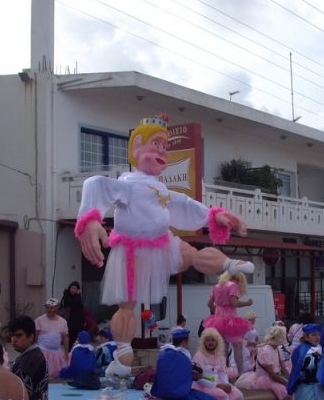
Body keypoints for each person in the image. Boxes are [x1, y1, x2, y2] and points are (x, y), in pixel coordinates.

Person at [75, 113, 253, 358]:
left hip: (162, 243)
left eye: (165, 147)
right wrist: (90, 219)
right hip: (132, 251)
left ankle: (229, 264)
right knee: (127, 306)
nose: (162, 151)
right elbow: (95, 184)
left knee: (193, 255)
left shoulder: (160, 188)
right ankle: (123, 353)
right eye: (155, 144)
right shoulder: (129, 183)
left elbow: (183, 204)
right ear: (136, 147)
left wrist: (214, 216)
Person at [192, 328, 255, 400]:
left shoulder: (220, 356)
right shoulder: (199, 356)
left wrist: (226, 384)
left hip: (218, 384)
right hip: (203, 386)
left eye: (213, 340)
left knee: (238, 396)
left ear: (218, 342)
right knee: (223, 395)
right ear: (203, 341)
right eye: (208, 340)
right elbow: (199, 379)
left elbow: (222, 372)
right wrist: (218, 385)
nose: (211, 342)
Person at [235, 325, 295, 400]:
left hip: (275, 375)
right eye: (283, 336)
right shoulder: (265, 350)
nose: (285, 338)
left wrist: (291, 380)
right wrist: (287, 383)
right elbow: (272, 375)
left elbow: (283, 369)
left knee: (295, 390)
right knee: (287, 394)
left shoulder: (278, 349)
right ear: (279, 337)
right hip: (265, 377)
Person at [8, 315, 51, 400]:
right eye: (12, 335)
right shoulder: (28, 356)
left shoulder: (32, 359)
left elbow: (21, 392)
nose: (13, 340)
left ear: (31, 336)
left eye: (18, 335)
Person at [203, 272, 253, 368]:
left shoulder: (217, 286)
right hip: (231, 321)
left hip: (218, 321)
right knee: (238, 347)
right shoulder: (233, 285)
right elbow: (234, 303)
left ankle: (223, 371)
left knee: (222, 348)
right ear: (239, 278)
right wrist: (247, 303)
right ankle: (239, 373)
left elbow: (209, 304)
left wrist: (217, 312)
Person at [35, 298, 69, 380]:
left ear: (57, 308)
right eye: (47, 308)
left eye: (51, 308)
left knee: (57, 373)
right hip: (43, 350)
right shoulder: (39, 320)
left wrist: (66, 351)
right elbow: (35, 336)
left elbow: (65, 337)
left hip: (56, 352)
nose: (49, 310)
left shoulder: (63, 321)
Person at [59, 281, 86, 347]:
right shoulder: (66, 295)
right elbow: (71, 303)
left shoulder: (78, 297)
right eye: (72, 288)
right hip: (69, 319)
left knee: (77, 337)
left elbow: (81, 308)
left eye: (75, 288)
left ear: (77, 290)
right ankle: (69, 352)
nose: (73, 290)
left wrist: (83, 320)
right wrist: (78, 295)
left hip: (77, 321)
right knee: (70, 337)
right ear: (69, 288)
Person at [241, 311, 259, 375]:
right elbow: (243, 341)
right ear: (250, 319)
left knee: (253, 363)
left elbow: (256, 337)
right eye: (254, 319)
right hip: (246, 349)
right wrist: (253, 343)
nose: (255, 320)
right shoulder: (244, 328)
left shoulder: (253, 327)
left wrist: (257, 342)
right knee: (247, 364)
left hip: (253, 349)